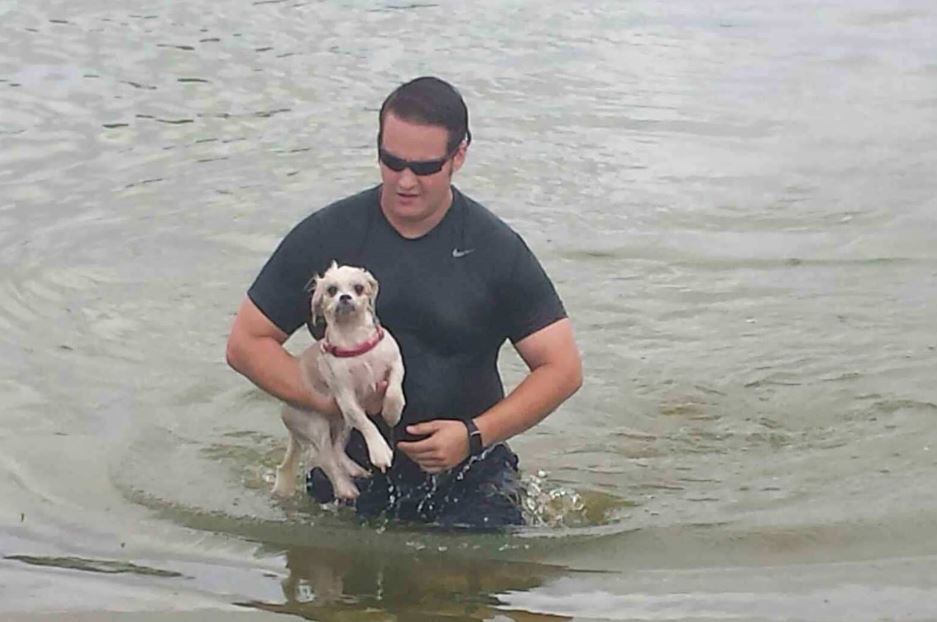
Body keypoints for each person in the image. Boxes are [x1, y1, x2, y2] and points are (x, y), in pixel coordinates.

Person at [226, 76, 582, 530]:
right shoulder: (327, 236)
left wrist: (474, 436)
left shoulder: (494, 249)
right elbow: (246, 343)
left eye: (425, 167)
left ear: (459, 156)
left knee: (465, 585)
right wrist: (335, 405)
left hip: (468, 475)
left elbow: (562, 368)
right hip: (348, 472)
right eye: (391, 162)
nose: (405, 181)